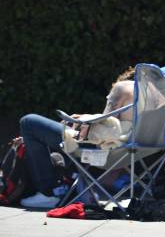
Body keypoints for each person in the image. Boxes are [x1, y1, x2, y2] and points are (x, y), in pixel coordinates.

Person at [18, 68, 135, 209]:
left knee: (29, 122)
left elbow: (106, 120)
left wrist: (80, 121)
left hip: (102, 150)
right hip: (132, 152)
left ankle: (49, 192)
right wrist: (84, 117)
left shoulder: (123, 87)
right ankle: (66, 186)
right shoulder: (154, 97)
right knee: (65, 133)